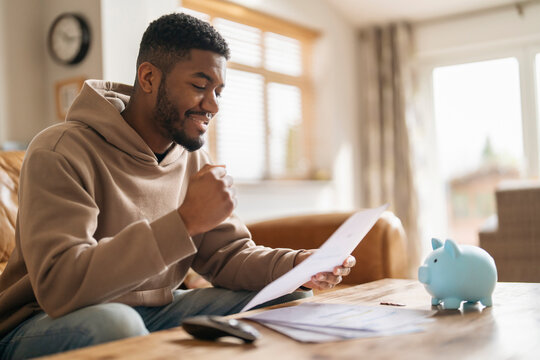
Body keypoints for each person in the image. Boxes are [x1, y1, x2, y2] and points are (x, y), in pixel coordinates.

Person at [0, 13, 355, 358]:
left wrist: (298, 265)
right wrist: (183, 223)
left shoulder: (191, 157)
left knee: (288, 298)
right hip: (42, 321)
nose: (212, 105)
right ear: (149, 77)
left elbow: (226, 256)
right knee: (117, 325)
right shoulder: (61, 150)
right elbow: (60, 286)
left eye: (219, 91)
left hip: (153, 312)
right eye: (200, 86)